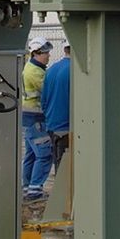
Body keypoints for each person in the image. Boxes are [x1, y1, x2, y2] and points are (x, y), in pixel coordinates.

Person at [40, 44, 73, 207]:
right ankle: (64, 204)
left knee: (59, 165)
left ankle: (62, 202)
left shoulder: (52, 69)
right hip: (68, 126)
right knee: (67, 170)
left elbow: (43, 100)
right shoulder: (77, 71)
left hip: (53, 125)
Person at [20, 38, 54, 201]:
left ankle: (26, 187)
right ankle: (34, 190)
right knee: (45, 153)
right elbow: (49, 91)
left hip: (29, 117)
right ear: (36, 53)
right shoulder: (35, 72)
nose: (48, 56)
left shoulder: (33, 68)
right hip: (35, 118)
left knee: (31, 154)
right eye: (45, 53)